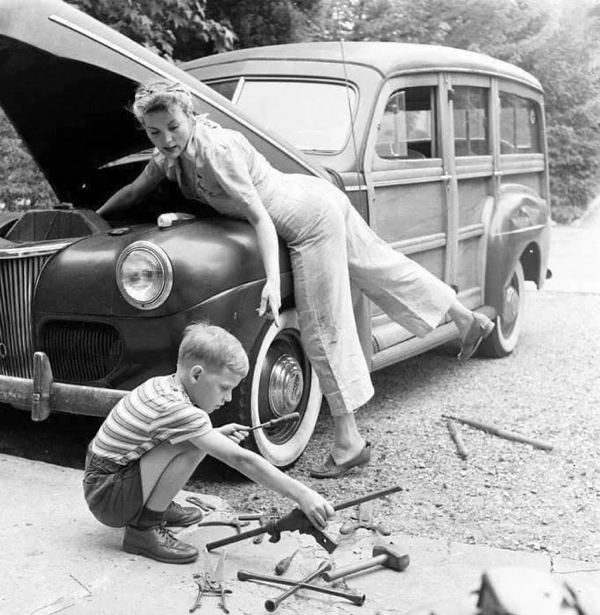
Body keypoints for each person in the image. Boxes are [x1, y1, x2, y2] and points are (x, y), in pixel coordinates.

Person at [98, 81, 494, 480]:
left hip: (307, 221)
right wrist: (95, 218)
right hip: (311, 195)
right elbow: (134, 191)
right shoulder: (169, 156)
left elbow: (261, 219)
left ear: (190, 117)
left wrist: (272, 281)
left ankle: (349, 443)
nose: (166, 138)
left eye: (173, 127)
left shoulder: (218, 151)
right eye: (155, 132)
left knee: (321, 328)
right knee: (380, 264)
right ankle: (465, 317)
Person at [83, 322, 334, 564]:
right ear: (197, 374)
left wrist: (216, 434)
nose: (229, 397)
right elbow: (242, 460)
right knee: (194, 444)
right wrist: (302, 494)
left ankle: (154, 506)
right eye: (225, 387)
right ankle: (143, 529)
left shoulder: (165, 386)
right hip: (107, 497)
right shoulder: (180, 411)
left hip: (103, 481)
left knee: (196, 439)